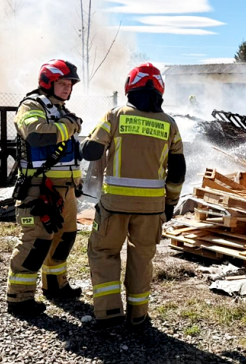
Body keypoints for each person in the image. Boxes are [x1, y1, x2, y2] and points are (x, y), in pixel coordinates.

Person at [80, 63, 186, 327]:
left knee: (104, 252)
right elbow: (177, 171)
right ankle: (138, 315)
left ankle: (108, 312)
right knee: (141, 258)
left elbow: (91, 152)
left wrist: (86, 140)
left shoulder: (115, 115)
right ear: (160, 90)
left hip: (114, 205)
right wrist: (170, 204)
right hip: (152, 208)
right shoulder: (170, 124)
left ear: (130, 87)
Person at [7, 59, 84, 316]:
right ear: (48, 82)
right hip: (39, 188)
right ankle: (19, 297)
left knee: (65, 237)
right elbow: (37, 134)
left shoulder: (61, 111)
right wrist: (71, 125)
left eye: (70, 84)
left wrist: (77, 182)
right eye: (62, 83)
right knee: (36, 241)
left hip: (66, 189)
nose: (67, 87)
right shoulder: (31, 105)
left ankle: (55, 284)